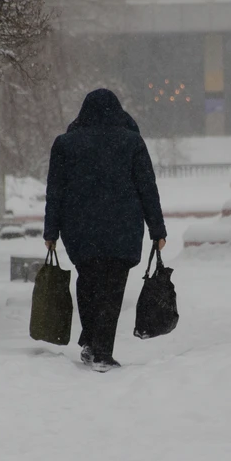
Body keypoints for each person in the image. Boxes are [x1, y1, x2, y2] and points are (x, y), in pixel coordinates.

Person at [44, 89, 167, 372]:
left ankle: (91, 340)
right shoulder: (131, 142)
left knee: (87, 280)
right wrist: (157, 229)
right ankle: (102, 351)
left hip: (80, 229)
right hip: (121, 228)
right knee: (112, 288)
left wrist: (51, 231)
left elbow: (55, 191)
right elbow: (147, 188)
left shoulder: (66, 144)